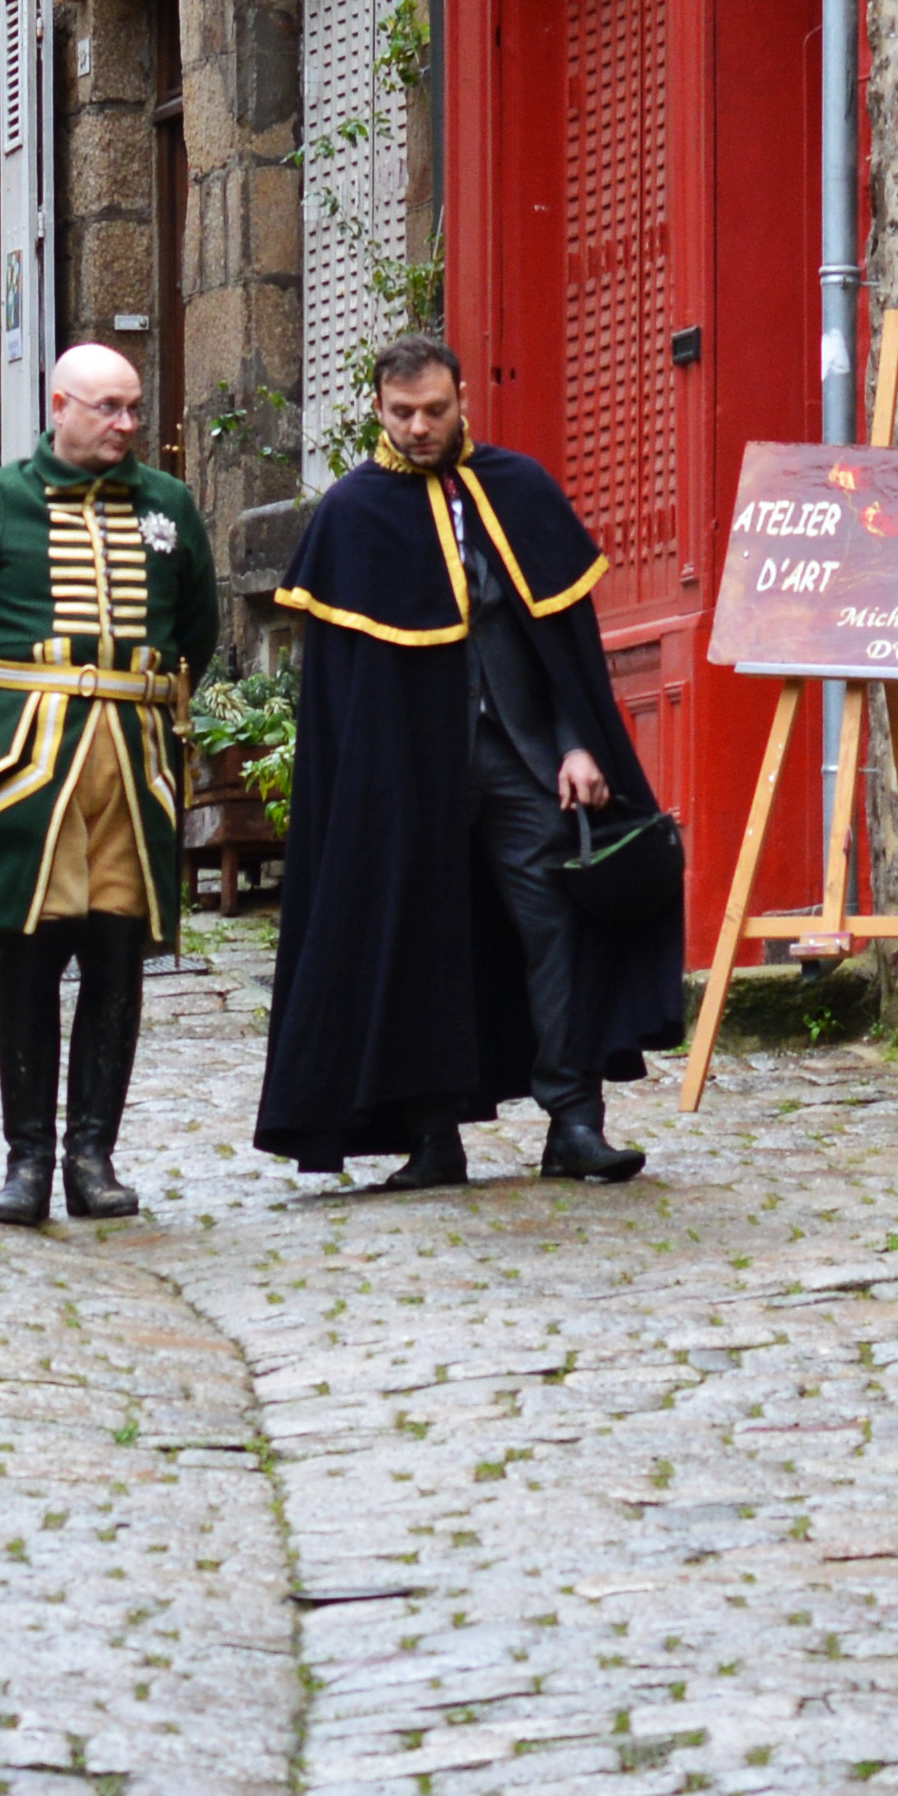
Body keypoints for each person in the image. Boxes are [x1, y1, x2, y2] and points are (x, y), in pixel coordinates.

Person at [253, 335, 688, 1188]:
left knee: (558, 928)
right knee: (416, 940)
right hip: (405, 775)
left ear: (463, 403)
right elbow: (341, 695)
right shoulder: (351, 516)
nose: (420, 427)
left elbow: (562, 644)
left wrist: (575, 742)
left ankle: (572, 1122)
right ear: (378, 410)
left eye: (436, 412)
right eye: (403, 413)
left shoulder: (517, 490)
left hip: (524, 761)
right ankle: (431, 1139)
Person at [0, 342, 222, 1226]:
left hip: (134, 757)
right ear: (59, 405)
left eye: (133, 407)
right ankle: (28, 1161)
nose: (126, 424)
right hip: (34, 764)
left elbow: (197, 627)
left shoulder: (169, 506)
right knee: (31, 952)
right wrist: (22, 700)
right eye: (107, 408)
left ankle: (94, 1155)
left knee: (118, 956)